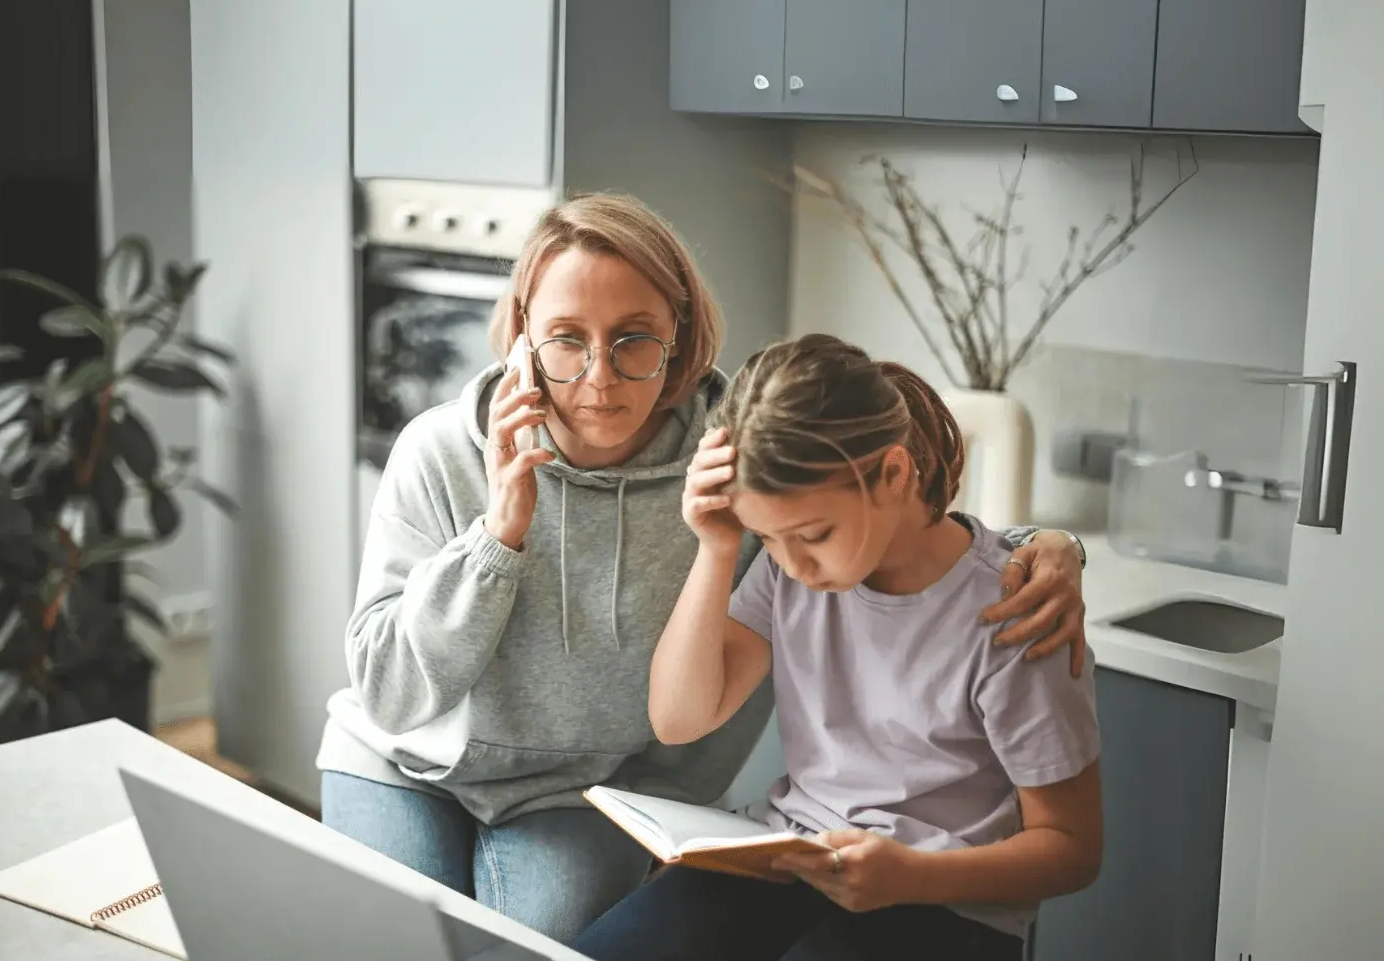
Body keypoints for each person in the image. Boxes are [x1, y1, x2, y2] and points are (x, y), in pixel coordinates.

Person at [316, 194, 1093, 945]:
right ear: (520, 336)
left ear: (681, 337)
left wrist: (1044, 545)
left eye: (634, 340)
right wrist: (497, 536)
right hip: (408, 763)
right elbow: (389, 693)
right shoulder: (442, 451)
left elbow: (879, 510)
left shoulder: (729, 470)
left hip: (582, 796)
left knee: (536, 947)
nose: (599, 377)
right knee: (393, 942)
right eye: (564, 337)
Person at [573, 334, 1103, 961]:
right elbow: (679, 719)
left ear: (894, 474)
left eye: (813, 535)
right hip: (792, 857)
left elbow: (1071, 849)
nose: (793, 565)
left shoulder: (1017, 611)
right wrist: (716, 547)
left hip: (945, 902)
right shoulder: (785, 574)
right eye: (766, 539)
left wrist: (913, 875)